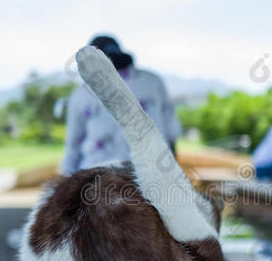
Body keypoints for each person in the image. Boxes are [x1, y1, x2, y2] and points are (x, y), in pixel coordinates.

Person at [62, 35, 182, 176]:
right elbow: (171, 132)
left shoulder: (80, 94)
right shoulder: (153, 81)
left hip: (100, 176)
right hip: (149, 175)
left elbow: (73, 145)